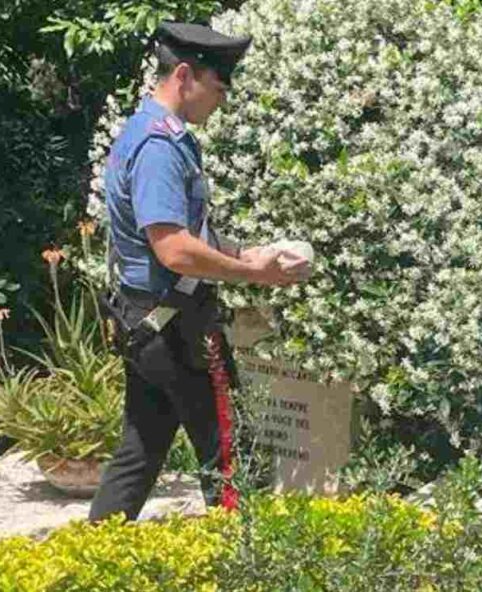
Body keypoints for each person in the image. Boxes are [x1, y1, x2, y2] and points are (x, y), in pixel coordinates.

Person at [89, 21, 312, 522]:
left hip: (150, 324)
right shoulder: (159, 147)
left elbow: (191, 234)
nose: (222, 101)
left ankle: (95, 562)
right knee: (233, 459)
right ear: (185, 75)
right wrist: (251, 275)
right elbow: (175, 251)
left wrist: (248, 252)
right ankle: (246, 568)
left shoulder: (150, 133)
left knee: (139, 452)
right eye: (218, 88)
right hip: (178, 329)